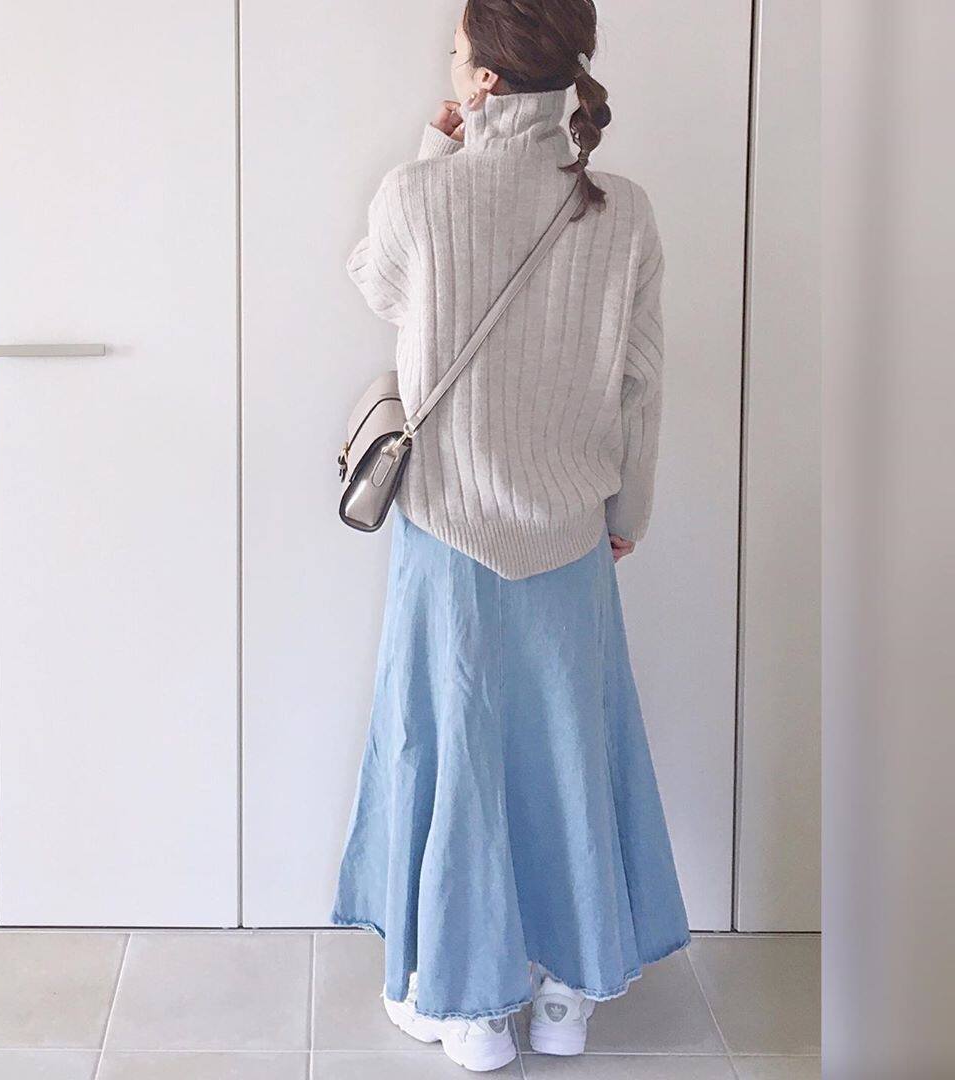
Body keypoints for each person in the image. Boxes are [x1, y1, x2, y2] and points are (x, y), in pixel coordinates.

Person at [331, 0, 690, 1070]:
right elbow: (640, 386)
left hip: (447, 538)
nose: (450, 65)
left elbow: (375, 280)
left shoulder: (418, 195)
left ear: (484, 79)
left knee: (450, 751)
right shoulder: (624, 212)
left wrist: (432, 146)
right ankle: (566, 999)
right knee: (570, 752)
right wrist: (626, 516)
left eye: (456, 53)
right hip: (570, 536)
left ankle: (469, 1008)